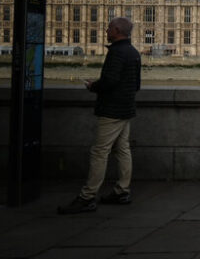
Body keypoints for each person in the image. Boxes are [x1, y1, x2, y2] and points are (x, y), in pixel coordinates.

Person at [58, 17, 141, 214]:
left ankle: (87, 197)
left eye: (109, 28)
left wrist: (93, 86)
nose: (106, 30)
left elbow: (110, 81)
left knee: (99, 152)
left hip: (112, 110)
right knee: (122, 150)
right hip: (126, 108)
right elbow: (135, 85)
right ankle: (122, 190)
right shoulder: (133, 52)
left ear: (118, 30)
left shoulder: (117, 53)